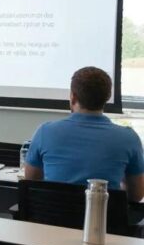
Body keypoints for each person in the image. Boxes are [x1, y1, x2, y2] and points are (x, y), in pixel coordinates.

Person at [25, 67, 143, 201]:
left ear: (73, 97)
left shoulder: (45, 132)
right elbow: (136, 195)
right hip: (104, 214)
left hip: (51, 214)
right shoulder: (129, 139)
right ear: (108, 97)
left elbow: (31, 184)